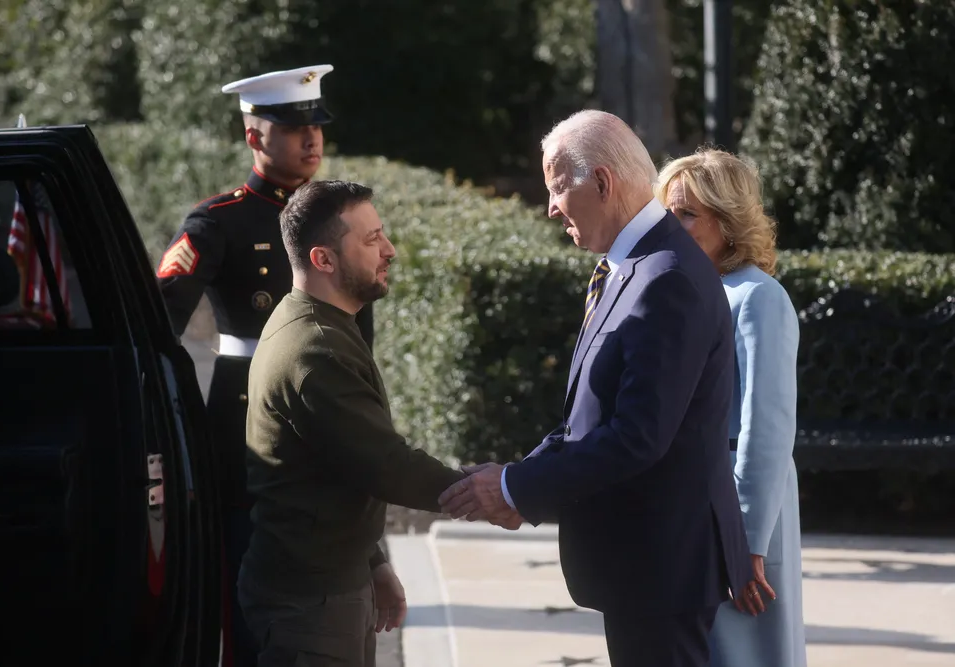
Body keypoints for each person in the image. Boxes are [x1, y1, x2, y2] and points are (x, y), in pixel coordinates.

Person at [439, 110, 753, 667]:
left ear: (603, 183)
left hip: (660, 564)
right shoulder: (633, 264)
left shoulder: (667, 276)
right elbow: (587, 419)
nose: (551, 207)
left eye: (557, 187)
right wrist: (517, 480)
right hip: (642, 562)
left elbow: (637, 437)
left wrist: (515, 488)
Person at [154, 64, 373, 667]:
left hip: (332, 416)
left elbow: (361, 338)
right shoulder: (219, 221)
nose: (311, 139)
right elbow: (157, 323)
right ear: (254, 136)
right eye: (294, 128)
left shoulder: (343, 217)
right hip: (246, 430)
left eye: (316, 126)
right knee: (253, 595)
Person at [239, 179, 466, 667]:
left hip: (330, 585)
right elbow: (384, 464)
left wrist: (372, 561)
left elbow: (332, 469)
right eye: (371, 240)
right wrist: (488, 492)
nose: (390, 250)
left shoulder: (318, 322)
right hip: (312, 604)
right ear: (323, 259)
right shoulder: (316, 350)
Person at [657, 148, 806, 667]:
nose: (672, 225)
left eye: (687, 213)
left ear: (727, 220)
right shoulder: (686, 288)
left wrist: (746, 542)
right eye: (667, 211)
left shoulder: (758, 296)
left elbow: (767, 426)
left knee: (744, 653)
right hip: (689, 502)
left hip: (738, 506)